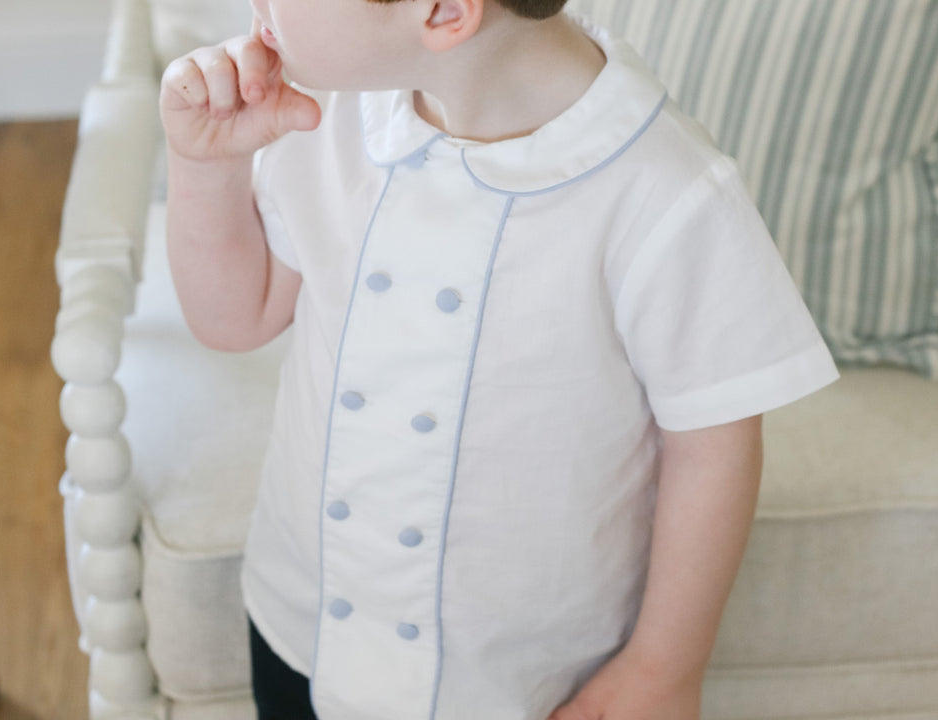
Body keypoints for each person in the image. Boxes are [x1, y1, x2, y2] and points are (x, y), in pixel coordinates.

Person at [159, 0, 839, 718]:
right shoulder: (324, 116)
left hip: (522, 679)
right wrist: (204, 164)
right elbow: (236, 318)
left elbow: (712, 451)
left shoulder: (664, 194)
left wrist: (663, 667)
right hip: (307, 629)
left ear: (444, 13)